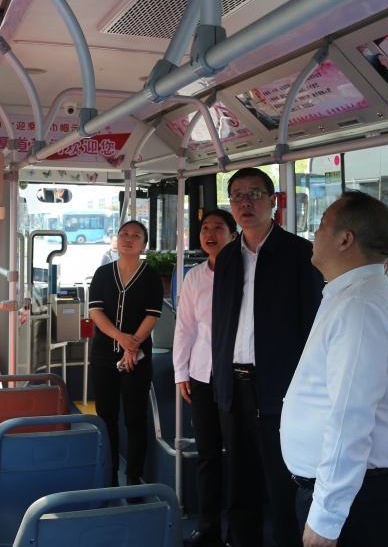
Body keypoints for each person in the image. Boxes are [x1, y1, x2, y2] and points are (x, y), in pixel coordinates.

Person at [280, 191, 388, 547]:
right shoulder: (349, 295)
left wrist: (326, 519)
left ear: (345, 240)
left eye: (321, 224)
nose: (314, 233)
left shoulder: (360, 306)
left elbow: (350, 420)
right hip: (345, 493)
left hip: (353, 502)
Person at [211, 167, 326, 547]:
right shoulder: (227, 257)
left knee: (281, 482)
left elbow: (311, 325)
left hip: (281, 388)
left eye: (254, 194)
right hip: (234, 386)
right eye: (238, 195)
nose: (245, 203)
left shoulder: (299, 254)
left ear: (273, 201)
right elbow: (220, 325)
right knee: (239, 480)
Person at [173, 209, 238, 547]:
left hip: (238, 375)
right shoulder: (194, 277)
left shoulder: (245, 272)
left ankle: (238, 532)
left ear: (233, 234)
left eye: (218, 228)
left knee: (240, 455)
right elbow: (185, 328)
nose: (210, 234)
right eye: (205, 229)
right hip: (201, 374)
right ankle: (208, 526)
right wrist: (180, 372)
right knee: (208, 453)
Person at [88, 220, 164, 487]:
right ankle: (109, 476)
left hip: (137, 358)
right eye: (124, 234)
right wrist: (121, 338)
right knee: (106, 417)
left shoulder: (151, 276)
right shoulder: (102, 273)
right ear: (117, 240)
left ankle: (133, 477)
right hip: (103, 357)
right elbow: (96, 311)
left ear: (144, 244)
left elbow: (153, 315)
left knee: (135, 418)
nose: (128, 239)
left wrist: (133, 346)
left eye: (135, 235)